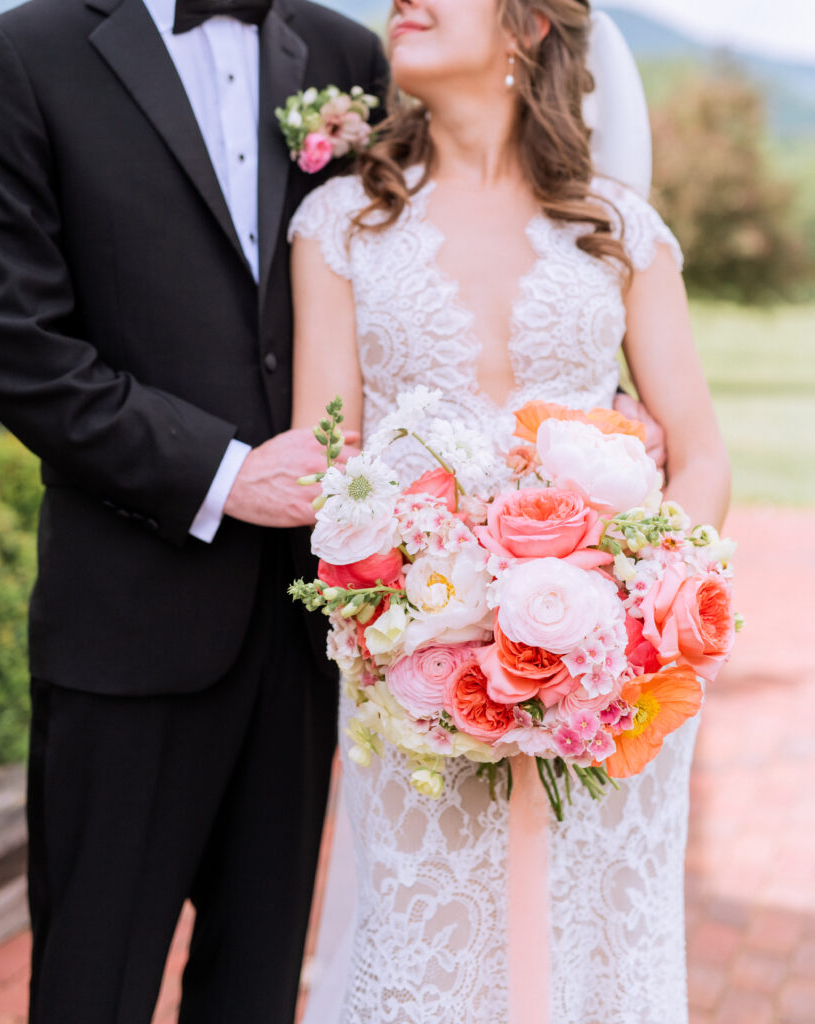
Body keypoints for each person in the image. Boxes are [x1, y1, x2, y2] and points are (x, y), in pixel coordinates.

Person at [288, 1, 730, 1022]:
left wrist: (635, 602)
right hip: (417, 668)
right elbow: (330, 462)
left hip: (604, 670)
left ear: (528, 27)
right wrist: (416, 610)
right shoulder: (341, 224)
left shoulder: (614, 223)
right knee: (429, 950)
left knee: (591, 951)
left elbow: (697, 450)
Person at [0, 0, 387, 1020]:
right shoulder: (23, 55)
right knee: (91, 988)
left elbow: (422, 277)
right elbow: (14, 341)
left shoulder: (347, 56)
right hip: (127, 622)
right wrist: (222, 473)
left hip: (303, 628)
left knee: (255, 986)